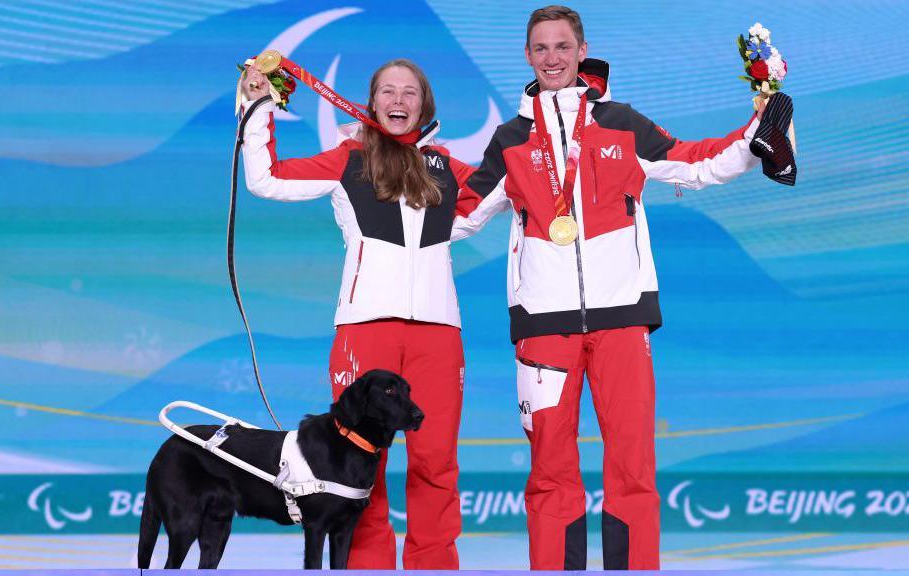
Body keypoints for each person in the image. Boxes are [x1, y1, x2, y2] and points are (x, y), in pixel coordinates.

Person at [453, 5, 784, 571]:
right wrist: (400, 180)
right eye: (541, 48)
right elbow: (460, 215)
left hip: (623, 319)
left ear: (582, 52)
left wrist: (762, 120)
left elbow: (695, 163)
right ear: (527, 56)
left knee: (632, 464)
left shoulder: (622, 123)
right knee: (550, 469)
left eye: (563, 46)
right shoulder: (510, 139)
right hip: (543, 325)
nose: (552, 58)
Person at [237, 59, 480, 569]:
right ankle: (367, 567)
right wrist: (258, 105)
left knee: (437, 463)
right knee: (358, 464)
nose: (398, 99)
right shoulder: (350, 159)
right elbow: (266, 179)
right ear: (372, 103)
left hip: (438, 335)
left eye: (409, 91)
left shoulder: (447, 169)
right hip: (366, 329)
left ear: (424, 104)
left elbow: (499, 196)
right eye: (387, 90)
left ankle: (434, 566)